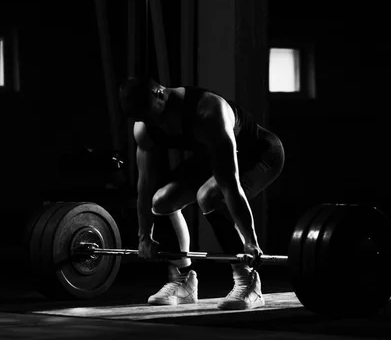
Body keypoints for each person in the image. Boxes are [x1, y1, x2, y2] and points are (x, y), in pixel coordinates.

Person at [118, 77, 284, 310]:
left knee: (209, 196)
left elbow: (230, 184)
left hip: (260, 155)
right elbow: (145, 185)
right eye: (143, 118)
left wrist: (250, 241)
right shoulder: (144, 127)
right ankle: (183, 280)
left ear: (159, 93)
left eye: (152, 115)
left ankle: (248, 281)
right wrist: (144, 235)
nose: (152, 122)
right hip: (215, 157)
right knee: (162, 201)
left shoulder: (208, 111)